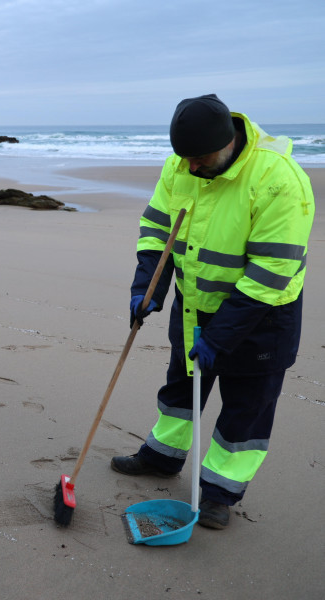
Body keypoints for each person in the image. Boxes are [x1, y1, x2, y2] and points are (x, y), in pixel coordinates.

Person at [112, 94, 315, 529]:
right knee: (181, 390)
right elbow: (157, 229)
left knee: (246, 409)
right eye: (185, 159)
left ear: (229, 144)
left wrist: (219, 337)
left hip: (262, 318)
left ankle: (220, 493)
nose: (191, 168)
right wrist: (147, 288)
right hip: (193, 305)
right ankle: (162, 457)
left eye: (200, 159)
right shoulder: (182, 165)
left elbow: (270, 274)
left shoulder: (279, 181)